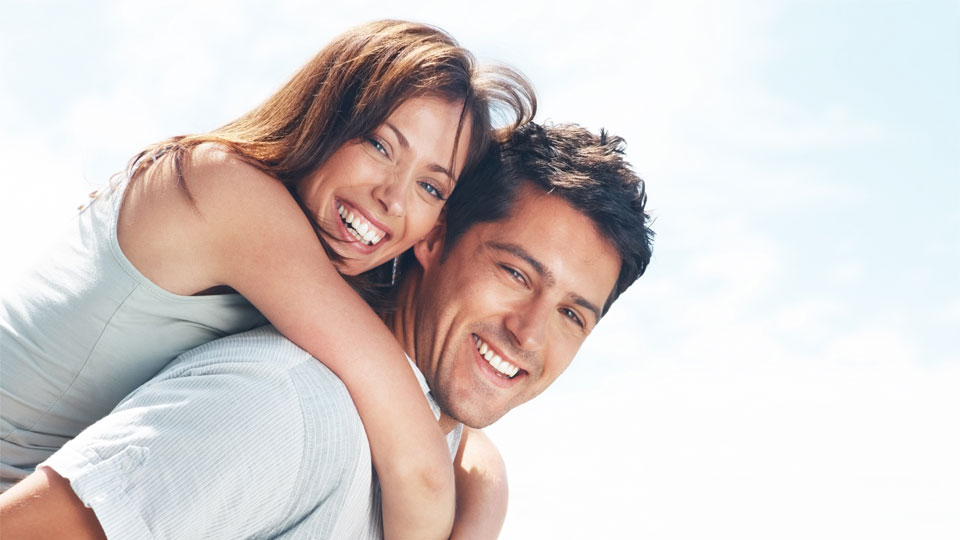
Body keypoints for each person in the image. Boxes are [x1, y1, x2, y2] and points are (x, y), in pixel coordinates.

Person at [0, 19, 535, 539]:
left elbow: (464, 446)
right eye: (379, 145)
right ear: (325, 115)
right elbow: (420, 468)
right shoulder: (222, 190)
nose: (393, 198)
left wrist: (483, 503)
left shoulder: (318, 277)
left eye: (430, 188)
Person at [0, 122, 655, 539]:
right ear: (436, 238)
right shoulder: (290, 410)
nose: (529, 332)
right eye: (514, 273)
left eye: (572, 313)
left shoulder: (452, 472)